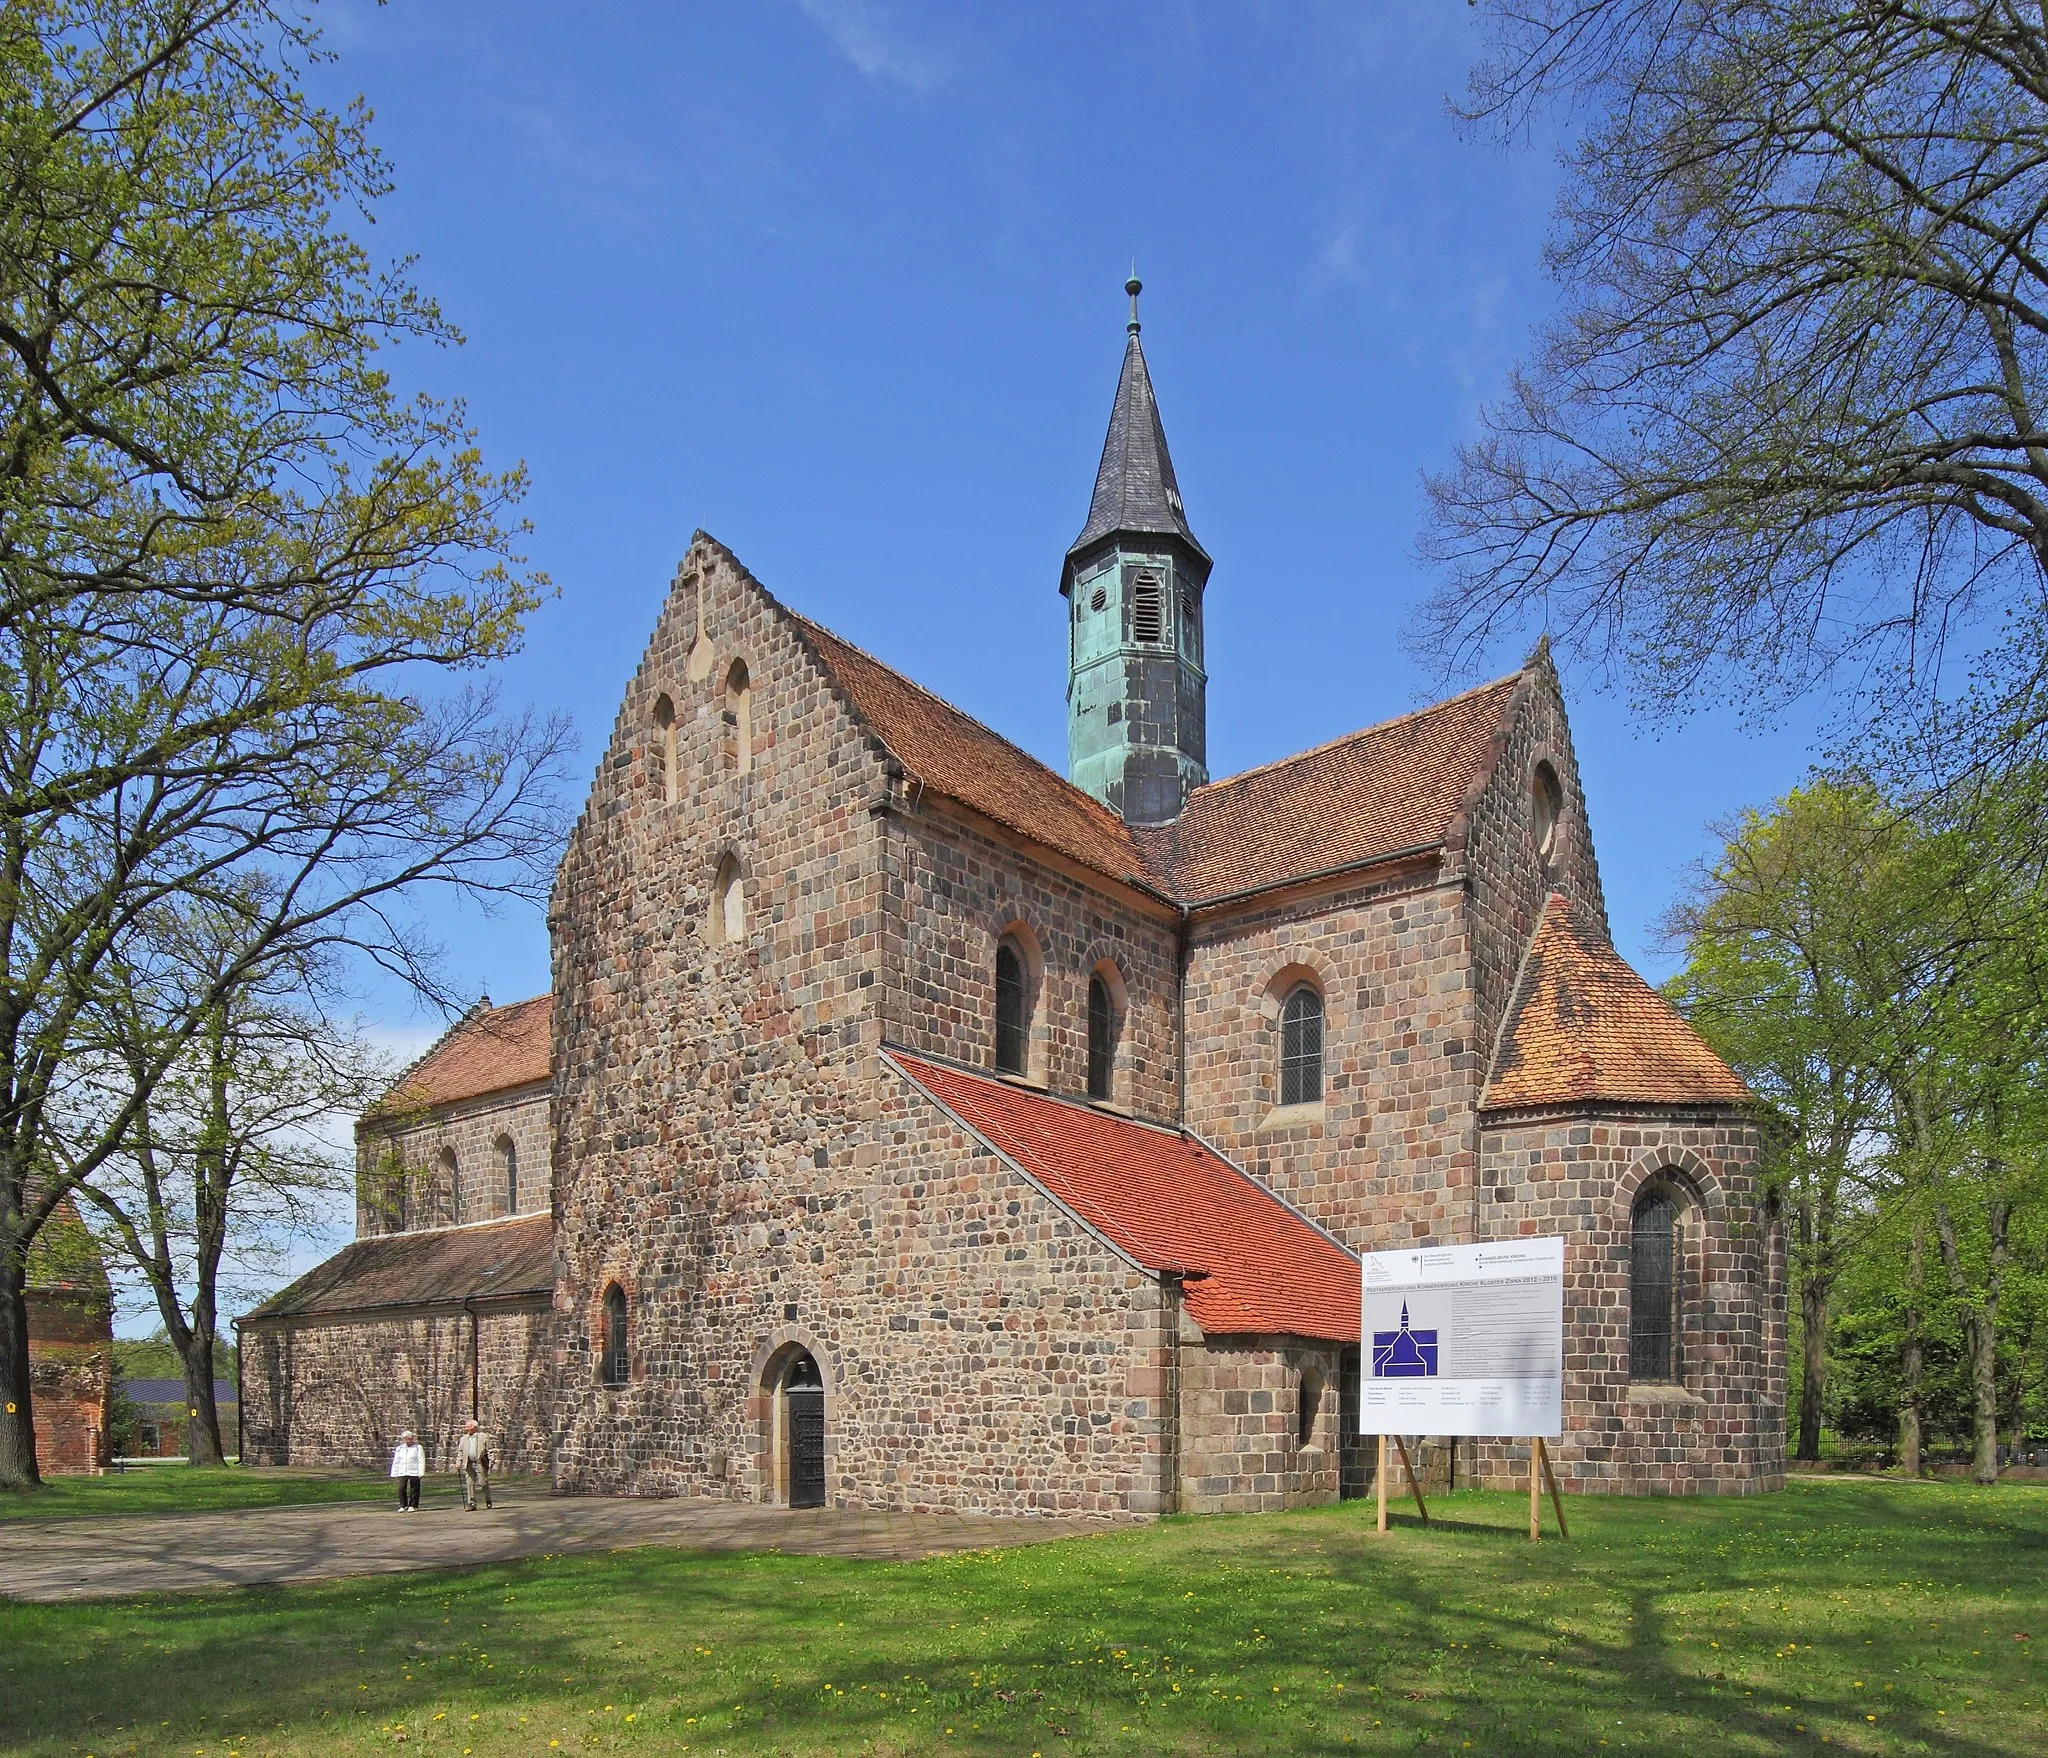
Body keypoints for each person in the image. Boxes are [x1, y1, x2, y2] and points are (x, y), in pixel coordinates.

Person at [455, 1417, 493, 1511]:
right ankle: (472, 1503)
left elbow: (489, 1450)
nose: (467, 1429)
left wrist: (492, 1461)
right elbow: (460, 1452)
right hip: (468, 1463)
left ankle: (488, 1499)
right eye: (467, 1427)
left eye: (469, 1427)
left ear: (475, 1427)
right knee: (470, 1483)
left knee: (483, 1483)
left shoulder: (483, 1437)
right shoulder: (464, 1439)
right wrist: (458, 1462)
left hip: (479, 1463)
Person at [390, 1428, 425, 1511]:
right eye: (405, 1439)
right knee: (401, 1488)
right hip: (403, 1470)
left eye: (409, 1439)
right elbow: (396, 1461)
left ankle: (413, 1505)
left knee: (414, 1488)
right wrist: (394, 1472)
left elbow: (421, 1460)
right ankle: (403, 1505)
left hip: (414, 1470)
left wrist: (421, 1471)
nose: (407, 1441)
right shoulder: (399, 1449)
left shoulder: (418, 1448)